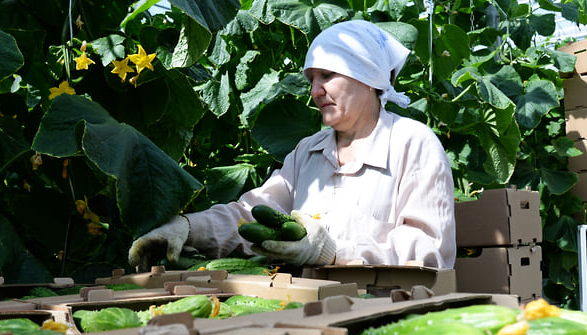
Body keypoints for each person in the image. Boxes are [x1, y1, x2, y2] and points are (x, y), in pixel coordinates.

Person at [128, 20, 456, 270]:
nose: (315, 91)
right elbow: (250, 217)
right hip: (305, 306)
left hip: (389, 309)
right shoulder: (306, 152)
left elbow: (430, 250)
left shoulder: (413, 144)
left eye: (327, 76)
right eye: (312, 79)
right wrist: (188, 227)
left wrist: (331, 251)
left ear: (368, 78)